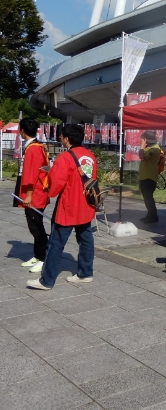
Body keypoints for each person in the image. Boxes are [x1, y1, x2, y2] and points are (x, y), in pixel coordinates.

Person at [27, 124, 97, 290]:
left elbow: (56, 183)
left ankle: (47, 280)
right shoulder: (90, 155)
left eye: (61, 136)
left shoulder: (65, 157)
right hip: (86, 203)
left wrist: (49, 186)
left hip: (68, 204)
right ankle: (85, 273)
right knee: (86, 239)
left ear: (67, 138)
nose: (59, 138)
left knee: (56, 242)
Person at [17, 118, 50, 274]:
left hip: (35, 193)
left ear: (22, 130)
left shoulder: (33, 148)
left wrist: (28, 196)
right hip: (34, 192)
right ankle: (37, 255)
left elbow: (32, 174)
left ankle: (44, 258)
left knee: (36, 226)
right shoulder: (35, 146)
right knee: (34, 226)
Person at [138, 130, 161, 223]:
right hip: (145, 176)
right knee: (147, 197)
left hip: (149, 177)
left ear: (146, 139)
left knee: (148, 197)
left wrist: (142, 145)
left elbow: (141, 156)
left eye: (143, 139)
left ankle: (153, 216)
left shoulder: (154, 149)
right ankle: (150, 215)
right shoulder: (150, 147)